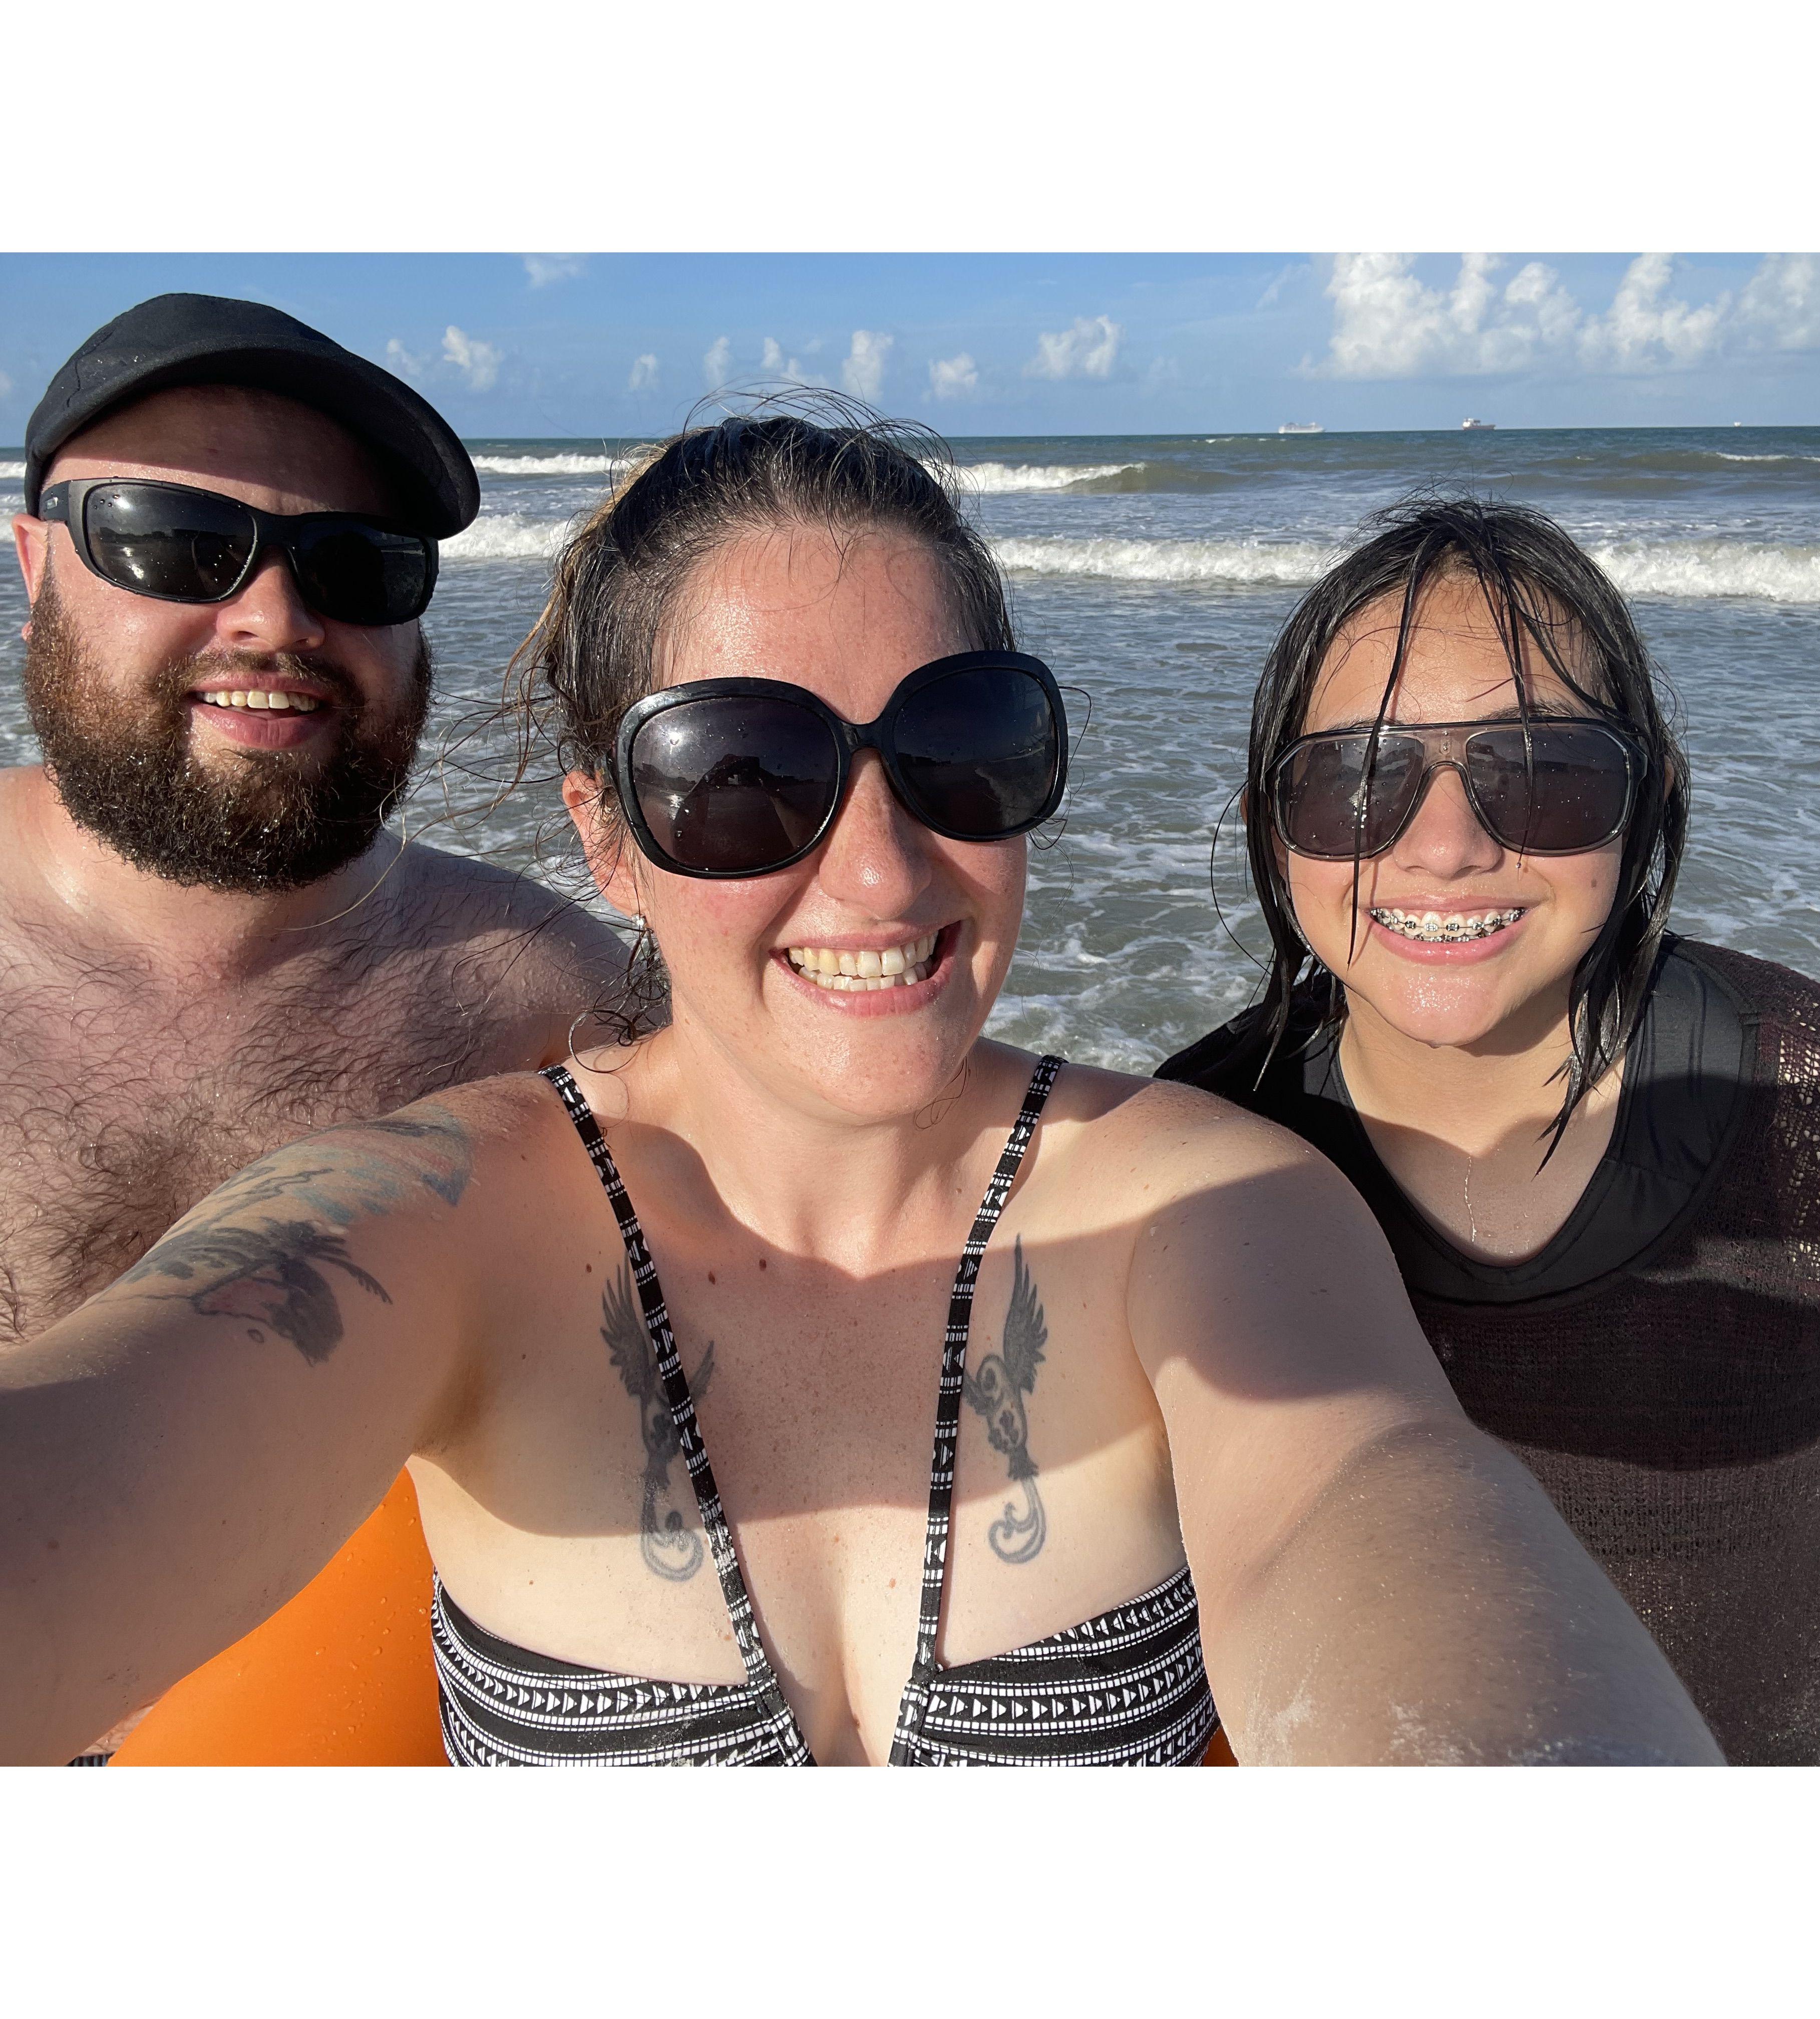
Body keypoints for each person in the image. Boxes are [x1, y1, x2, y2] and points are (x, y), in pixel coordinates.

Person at [0, 414, 1721, 1767]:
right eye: (745, 774)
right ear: (606, 827)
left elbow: (1381, 1507)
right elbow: (129, 1421)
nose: (885, 872)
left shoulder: (1210, 1205)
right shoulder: (440, 1220)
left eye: (960, 743)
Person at [1159, 494, 1820, 1766]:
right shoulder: (1198, 1163)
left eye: (1542, 775)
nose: (1445, 847)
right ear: (1269, 827)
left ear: (1647, 796)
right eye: (1357, 780)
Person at [6, 293, 626, 1760]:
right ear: (29, 563)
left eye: (354, 564)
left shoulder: (547, 996)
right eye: (172, 541)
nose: (277, 619)